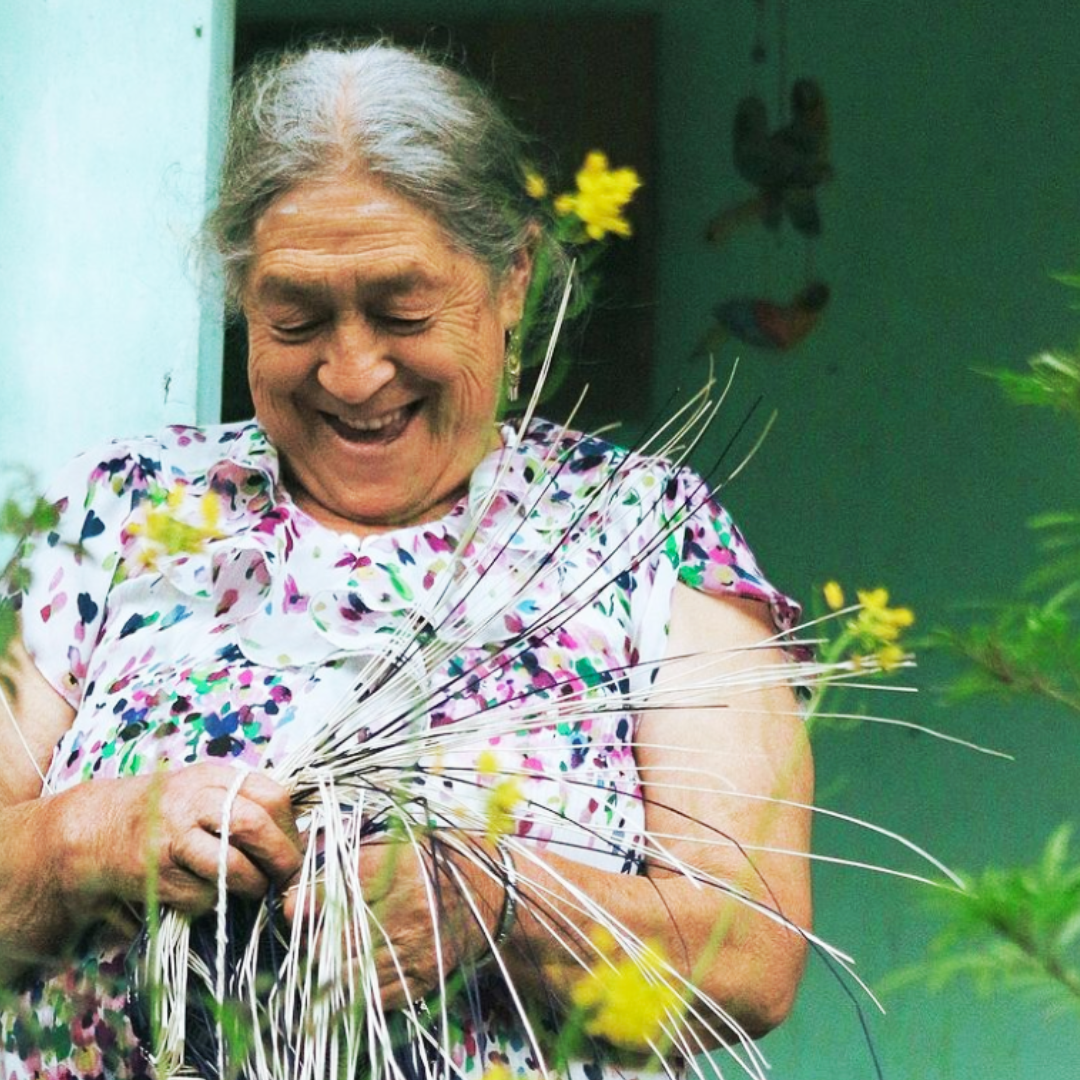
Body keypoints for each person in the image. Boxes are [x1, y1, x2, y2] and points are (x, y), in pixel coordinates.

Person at [0, 41, 813, 1080]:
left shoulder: (645, 536)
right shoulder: (113, 515)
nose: (351, 370)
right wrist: (86, 841)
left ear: (513, 278)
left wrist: (495, 905)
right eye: (295, 317)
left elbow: (751, 960)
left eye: (402, 312)